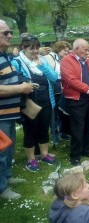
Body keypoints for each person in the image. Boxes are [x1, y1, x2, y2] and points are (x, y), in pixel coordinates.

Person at [12, 35, 59, 172]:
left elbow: (54, 78)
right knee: (30, 130)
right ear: (23, 48)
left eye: (37, 48)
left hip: (46, 101)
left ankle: (44, 154)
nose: (35, 51)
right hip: (30, 103)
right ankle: (31, 159)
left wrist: (42, 65)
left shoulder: (42, 60)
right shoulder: (17, 62)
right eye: (32, 48)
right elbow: (16, 81)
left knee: (44, 128)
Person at [0, 20, 33, 200]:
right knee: (1, 151)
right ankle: (1, 188)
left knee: (9, 149)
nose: (10, 35)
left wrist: (23, 83)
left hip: (9, 114)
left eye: (10, 32)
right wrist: (20, 89)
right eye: (6, 33)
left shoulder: (4, 55)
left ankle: (6, 177)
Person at [60, 38, 89, 166]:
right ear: (76, 49)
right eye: (86, 49)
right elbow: (71, 80)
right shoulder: (66, 61)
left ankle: (86, 150)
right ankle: (75, 155)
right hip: (76, 99)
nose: (88, 52)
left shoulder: (86, 61)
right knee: (78, 128)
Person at [44, 41, 71, 144]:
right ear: (59, 49)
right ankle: (55, 135)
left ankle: (63, 132)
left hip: (62, 88)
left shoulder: (63, 59)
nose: (66, 52)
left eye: (68, 51)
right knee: (54, 113)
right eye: (65, 50)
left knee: (62, 112)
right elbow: (50, 73)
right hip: (54, 88)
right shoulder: (49, 58)